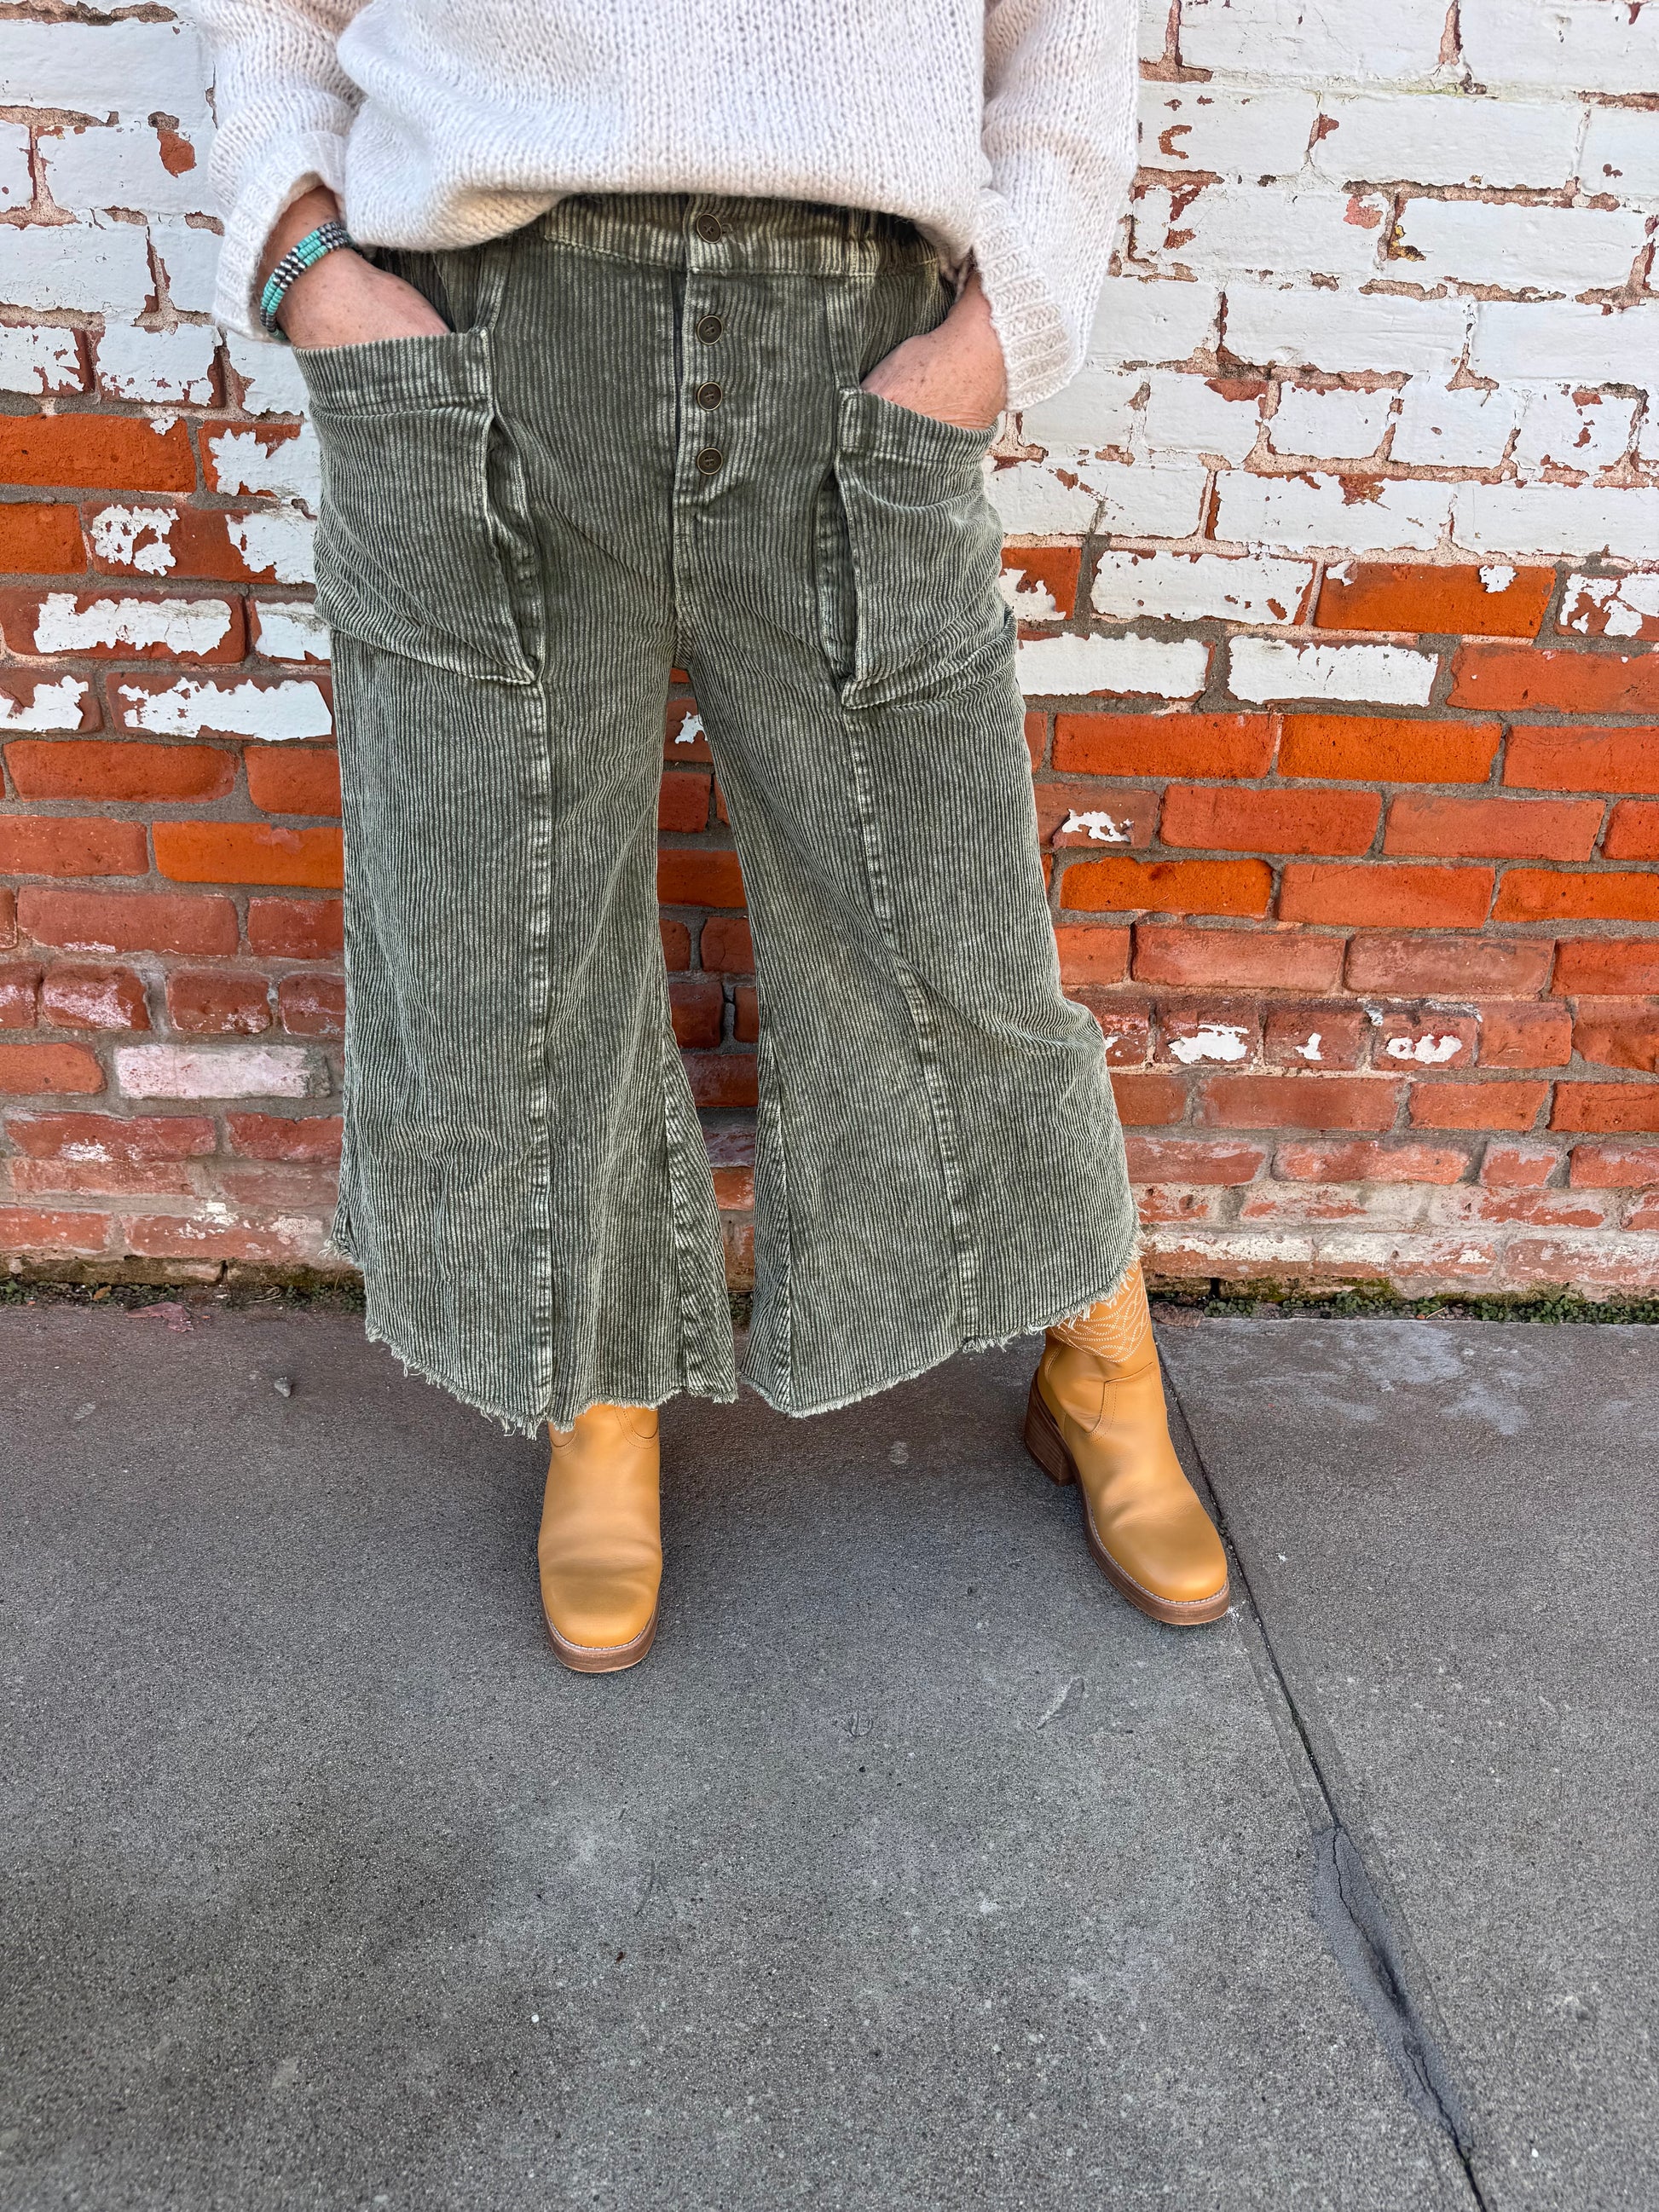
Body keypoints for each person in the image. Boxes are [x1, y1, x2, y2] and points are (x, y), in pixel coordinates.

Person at [189, 0, 1230, 1672]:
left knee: (942, 923)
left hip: (858, 331)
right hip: (480, 325)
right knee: (511, 930)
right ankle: (596, 1394)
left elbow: (1065, 29)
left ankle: (1098, 1356)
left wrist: (998, 326)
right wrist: (310, 265)